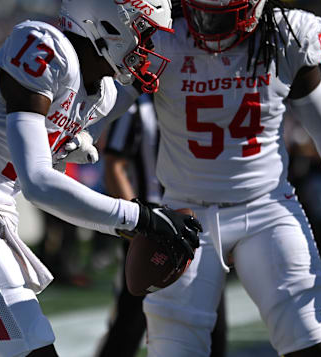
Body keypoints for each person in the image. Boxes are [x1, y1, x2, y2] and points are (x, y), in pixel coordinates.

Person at [88, 0, 321, 355]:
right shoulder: (163, 38)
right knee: (175, 346)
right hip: (184, 216)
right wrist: (75, 133)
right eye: (197, 11)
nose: (205, 27)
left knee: (310, 339)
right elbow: (107, 103)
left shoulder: (286, 37)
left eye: (220, 16)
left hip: (266, 208)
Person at [0, 0, 201, 357]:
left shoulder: (102, 92)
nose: (147, 48)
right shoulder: (44, 46)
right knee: (36, 349)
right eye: (143, 33)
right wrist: (141, 218)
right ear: (110, 23)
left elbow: (101, 116)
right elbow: (39, 182)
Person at [96, 94, 227, 357]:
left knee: (214, 322)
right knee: (131, 321)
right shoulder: (137, 107)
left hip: (197, 225)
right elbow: (114, 165)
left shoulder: (196, 96)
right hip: (154, 226)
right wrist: (137, 223)